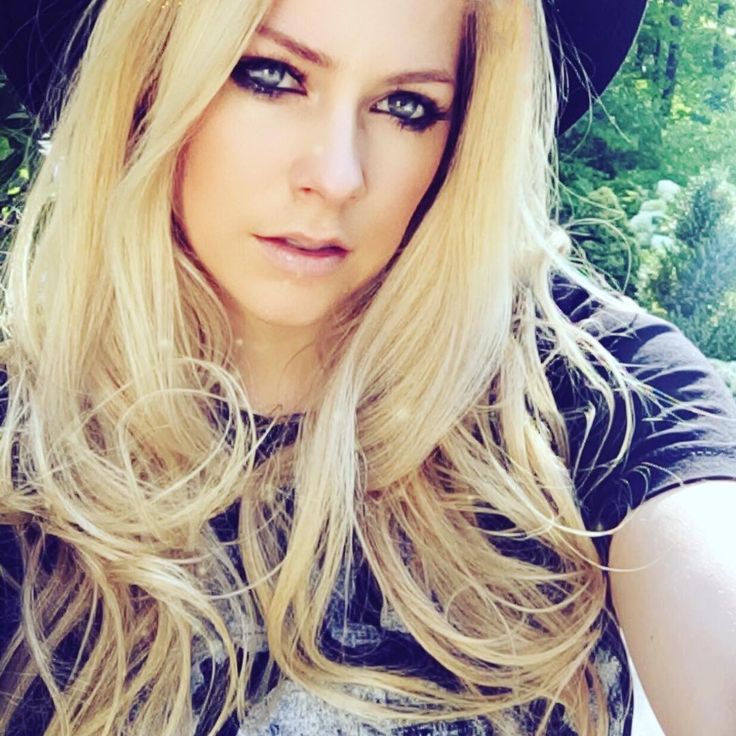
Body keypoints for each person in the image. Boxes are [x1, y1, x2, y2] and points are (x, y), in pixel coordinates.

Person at [0, 0, 734, 734]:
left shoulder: (588, 389)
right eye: (269, 75)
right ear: (149, 79)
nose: (337, 175)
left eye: (407, 106)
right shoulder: (20, 451)